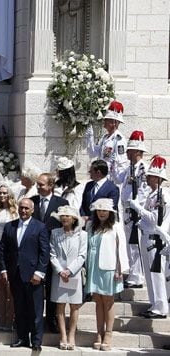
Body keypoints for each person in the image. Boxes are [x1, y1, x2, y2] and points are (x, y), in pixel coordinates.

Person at [0, 198, 49, 351]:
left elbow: (44, 252)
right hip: (15, 274)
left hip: (33, 275)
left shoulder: (40, 227)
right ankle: (22, 338)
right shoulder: (9, 226)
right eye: (21, 208)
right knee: (19, 308)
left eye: (27, 208)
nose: (23, 211)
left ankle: (36, 340)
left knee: (35, 310)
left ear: (32, 210)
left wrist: (39, 273)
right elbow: (3, 251)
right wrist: (4, 270)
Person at [85, 198, 129, 350]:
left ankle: (108, 334)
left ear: (110, 212)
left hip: (109, 267)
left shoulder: (115, 226)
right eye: (99, 210)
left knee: (108, 301)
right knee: (98, 300)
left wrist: (120, 268)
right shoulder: (90, 225)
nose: (101, 213)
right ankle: (99, 332)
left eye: (104, 210)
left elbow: (121, 248)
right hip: (93, 266)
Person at [129, 155, 170, 319]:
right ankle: (154, 304)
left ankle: (161, 307)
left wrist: (138, 208)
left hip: (155, 239)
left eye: (151, 176)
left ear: (158, 178)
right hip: (146, 236)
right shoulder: (152, 195)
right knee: (149, 273)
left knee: (156, 274)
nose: (147, 178)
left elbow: (154, 219)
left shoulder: (163, 196)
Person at [31, 172, 69, 333]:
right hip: (35, 251)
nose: (38, 187)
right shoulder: (32, 202)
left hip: (54, 252)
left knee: (53, 287)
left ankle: (52, 318)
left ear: (51, 186)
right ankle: (34, 319)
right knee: (35, 287)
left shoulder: (61, 203)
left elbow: (66, 227)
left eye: (41, 184)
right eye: (38, 184)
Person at [49, 205, 88, 350]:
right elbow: (52, 254)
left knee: (74, 305)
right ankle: (63, 336)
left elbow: (82, 255)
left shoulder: (82, 235)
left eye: (67, 216)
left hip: (74, 274)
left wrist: (70, 270)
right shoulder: (55, 233)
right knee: (60, 305)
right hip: (59, 274)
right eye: (62, 216)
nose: (64, 218)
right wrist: (60, 270)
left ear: (74, 219)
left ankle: (71, 336)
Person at [120, 131, 149, 289]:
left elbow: (143, 191)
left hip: (135, 211)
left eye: (130, 150)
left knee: (134, 243)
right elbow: (120, 180)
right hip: (127, 210)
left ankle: (137, 276)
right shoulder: (129, 167)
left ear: (137, 151)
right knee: (129, 244)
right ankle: (133, 272)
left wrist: (137, 208)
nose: (127, 152)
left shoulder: (142, 169)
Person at [0, 185, 18, 331]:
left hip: (10, 252)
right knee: (0, 288)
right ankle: (2, 318)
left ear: (10, 194)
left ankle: (10, 319)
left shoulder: (15, 212)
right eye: (0, 193)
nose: (2, 195)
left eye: (5, 193)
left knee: (10, 288)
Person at [86, 100, 129, 185]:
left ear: (114, 123)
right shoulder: (104, 137)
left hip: (111, 179)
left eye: (107, 120)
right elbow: (93, 153)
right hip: (101, 177)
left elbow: (121, 163)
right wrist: (89, 137)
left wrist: (115, 179)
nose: (104, 121)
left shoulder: (119, 140)